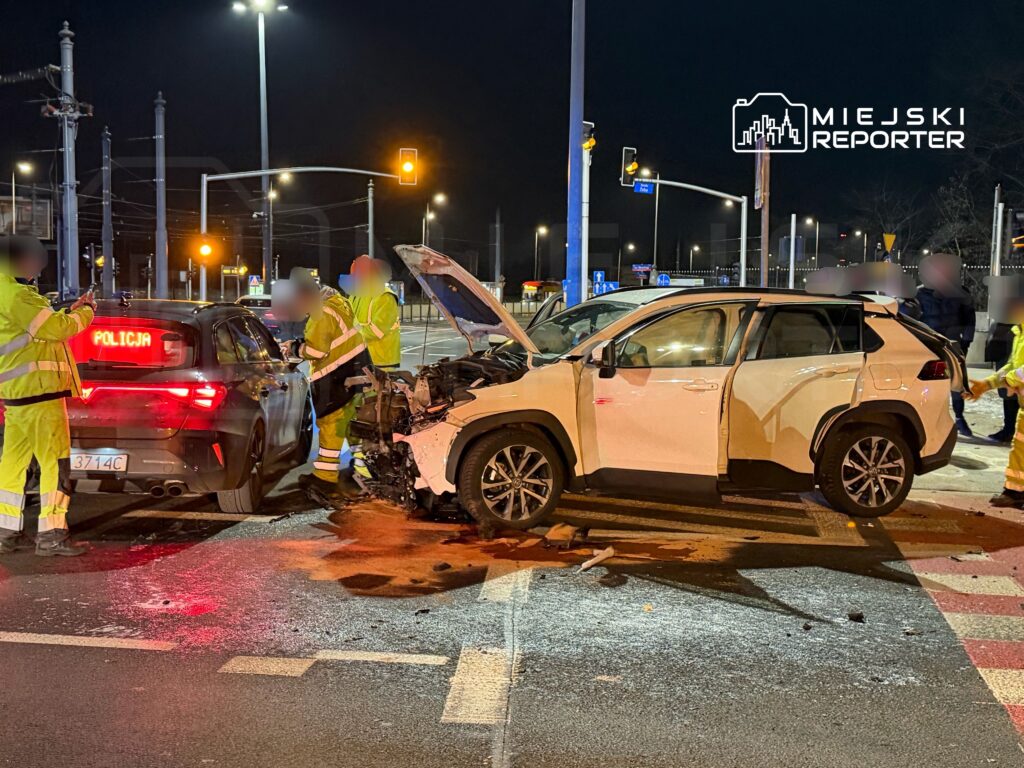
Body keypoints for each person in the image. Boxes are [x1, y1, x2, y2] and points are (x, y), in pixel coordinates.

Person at [0, 236, 95, 555]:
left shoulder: (9, 291)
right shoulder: (15, 294)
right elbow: (53, 330)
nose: (37, 271)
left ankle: (6, 530)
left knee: (12, 465)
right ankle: (52, 534)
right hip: (40, 394)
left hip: (18, 396)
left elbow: (35, 332)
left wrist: (66, 311)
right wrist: (86, 314)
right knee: (55, 463)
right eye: (34, 263)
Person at [280, 268, 371, 503]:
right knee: (354, 426)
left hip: (337, 378)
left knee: (331, 424)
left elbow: (317, 350)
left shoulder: (320, 314)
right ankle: (365, 473)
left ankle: (325, 479)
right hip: (358, 372)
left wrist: (293, 349)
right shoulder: (336, 303)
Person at [965, 293, 1024, 507]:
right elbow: (1012, 366)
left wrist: (1009, 380)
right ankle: (1015, 492)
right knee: (1020, 448)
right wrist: (988, 384)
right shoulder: (1020, 331)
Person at [915, 253, 975, 436]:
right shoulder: (919, 293)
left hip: (953, 345)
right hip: (928, 347)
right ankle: (930, 420)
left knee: (956, 383)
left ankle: (959, 418)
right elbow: (912, 319)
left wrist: (966, 342)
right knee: (929, 386)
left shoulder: (961, 293)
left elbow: (969, 319)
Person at [350, 254, 401, 370]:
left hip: (382, 361)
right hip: (362, 358)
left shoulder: (385, 297)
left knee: (379, 388)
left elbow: (376, 331)